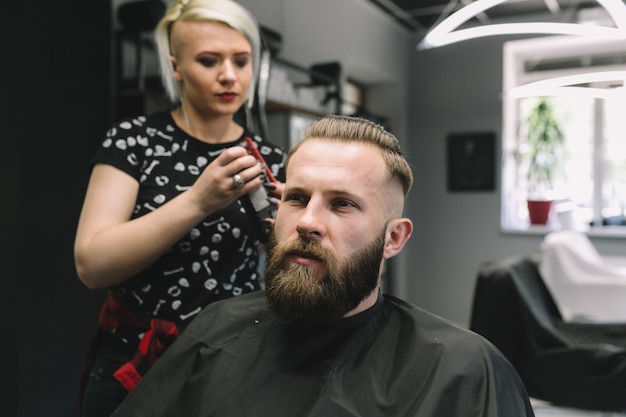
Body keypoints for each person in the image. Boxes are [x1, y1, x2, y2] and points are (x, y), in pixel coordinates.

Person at [110, 115, 536, 417]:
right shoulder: (217, 329)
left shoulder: (459, 370)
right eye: (296, 198)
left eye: (342, 204)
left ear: (394, 238)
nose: (309, 221)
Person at [73, 0, 285, 416]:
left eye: (241, 61)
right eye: (209, 61)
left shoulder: (267, 158)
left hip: (232, 358)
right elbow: (91, 265)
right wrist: (198, 200)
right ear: (176, 67)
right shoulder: (135, 141)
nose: (229, 75)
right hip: (136, 359)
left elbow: (283, 263)